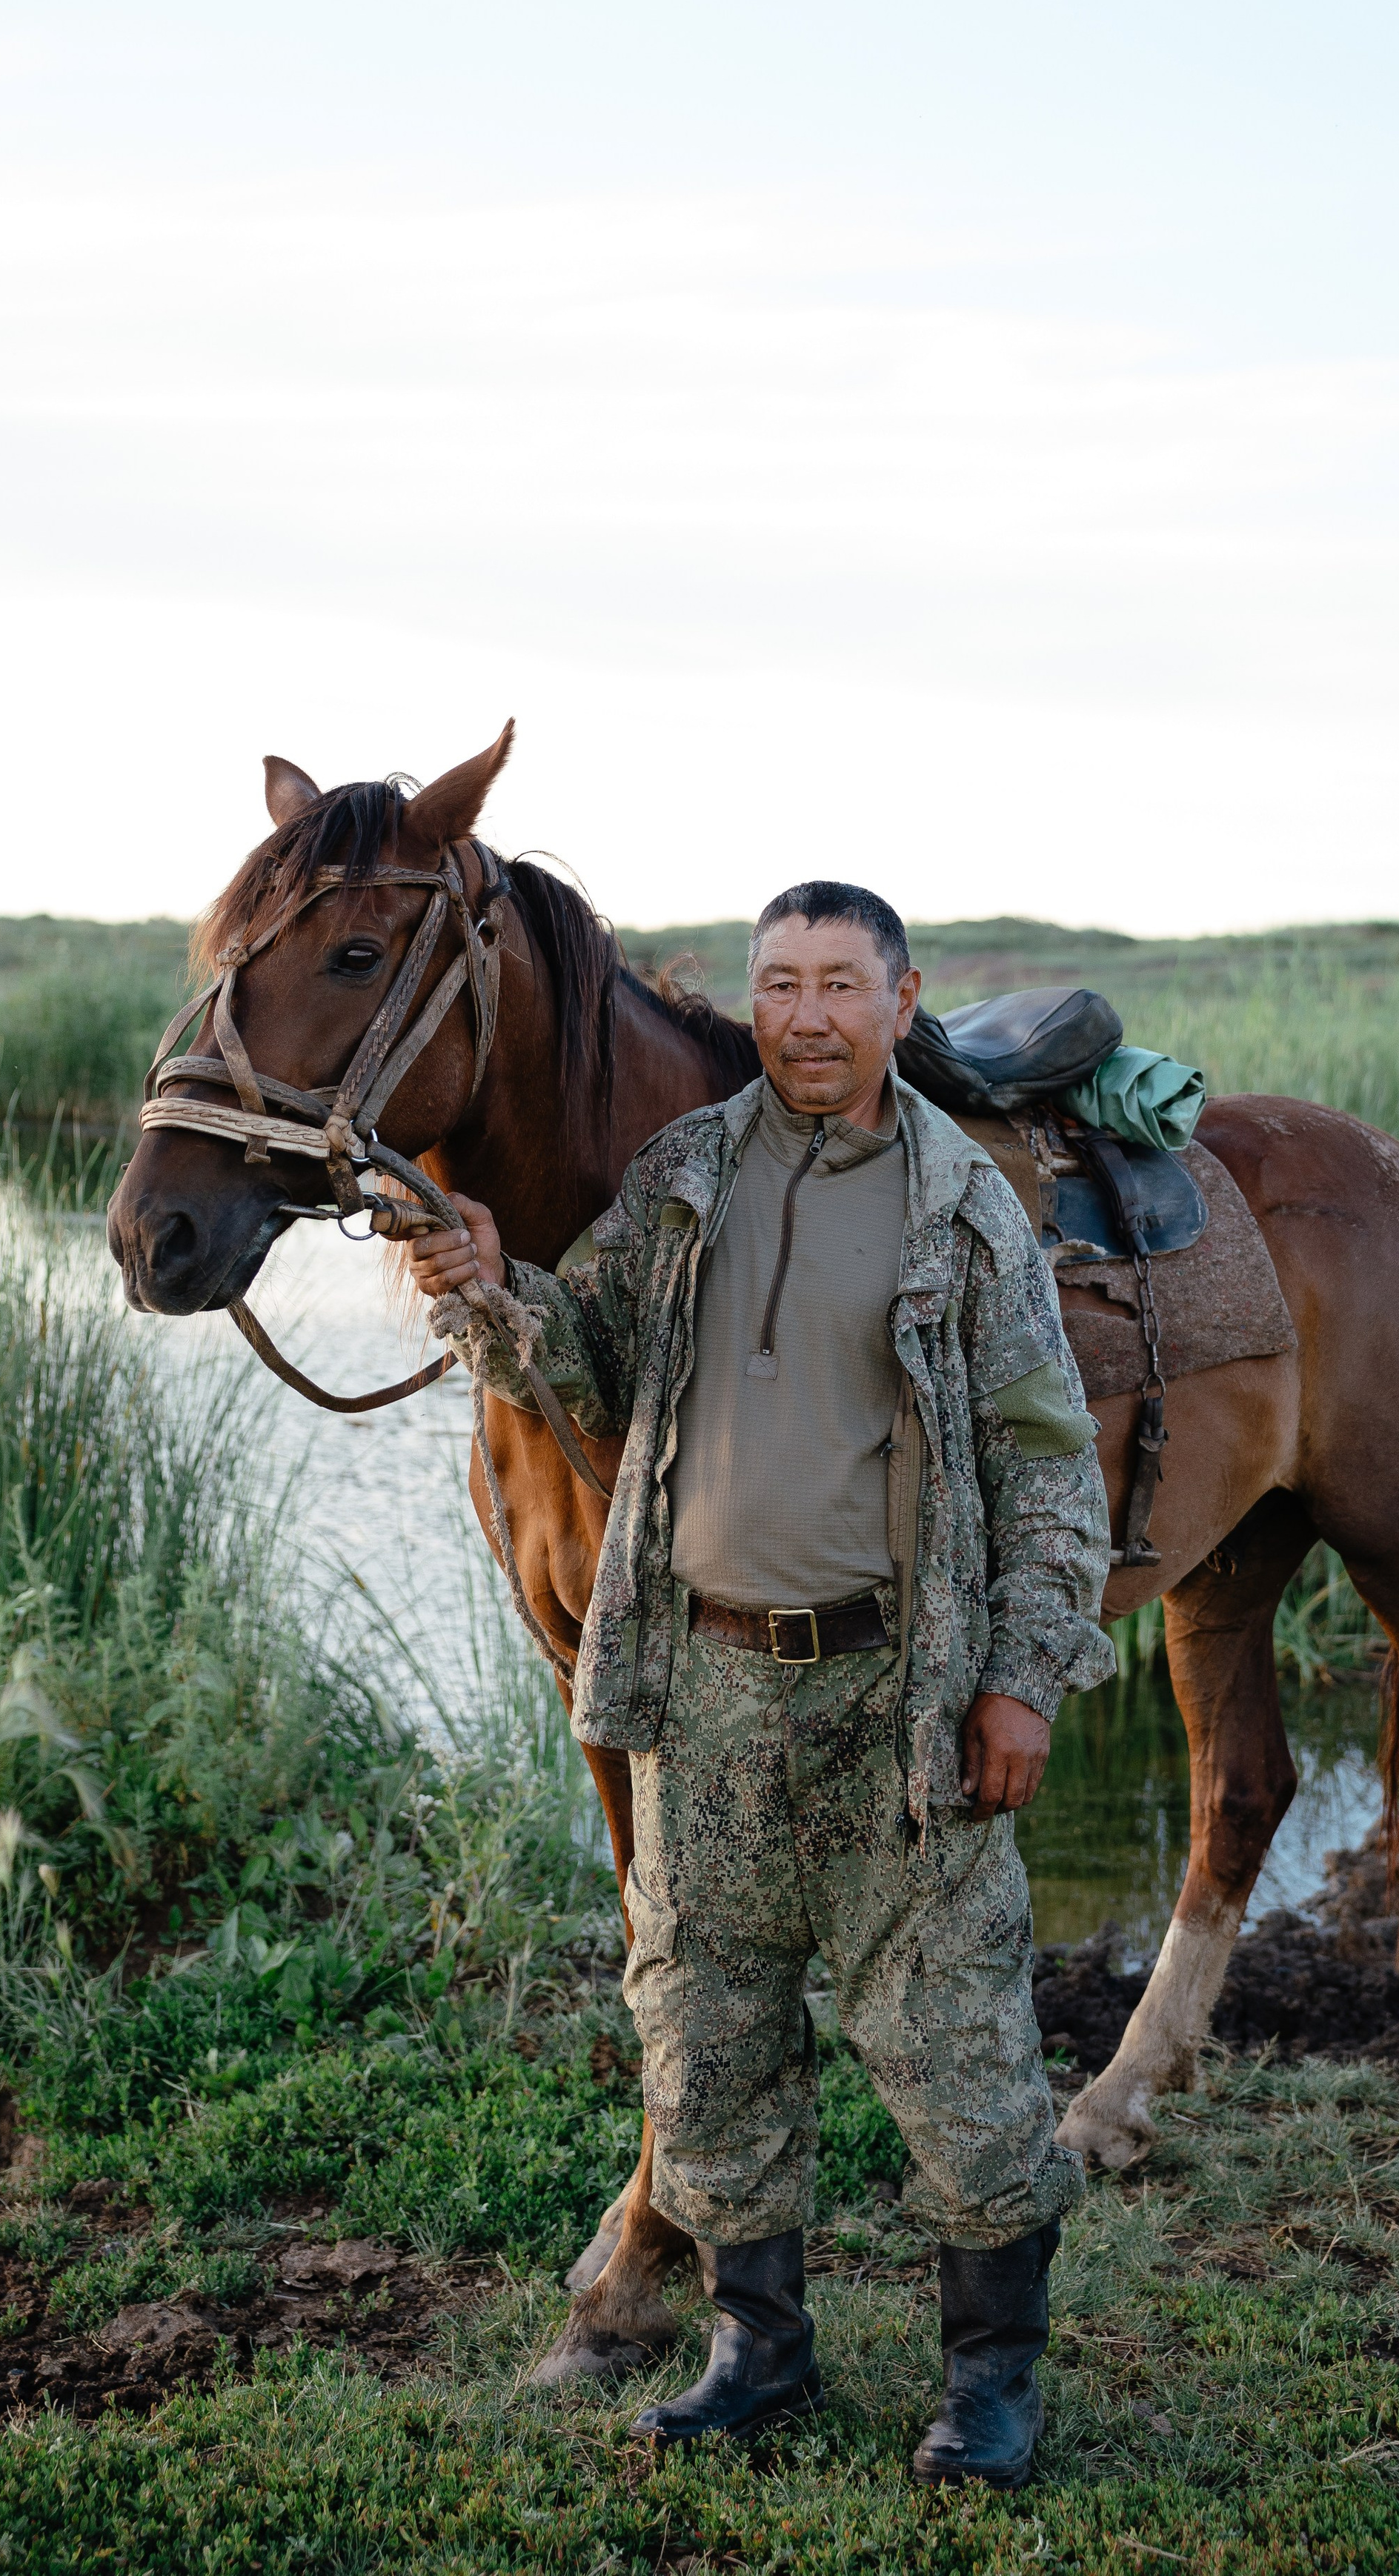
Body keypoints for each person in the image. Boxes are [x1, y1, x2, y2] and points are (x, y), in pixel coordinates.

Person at [409, 879, 1113, 2489]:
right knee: (707, 2040)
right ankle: (755, 2353)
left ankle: (989, 2385)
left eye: (840, 986)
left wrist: (1022, 1680)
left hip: (897, 1697)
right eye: (779, 984)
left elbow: (1047, 1459)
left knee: (960, 2052)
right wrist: (491, 1287)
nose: (806, 1017)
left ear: (900, 1003)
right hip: (707, 1689)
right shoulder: (683, 1174)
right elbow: (582, 1361)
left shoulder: (963, 1203)